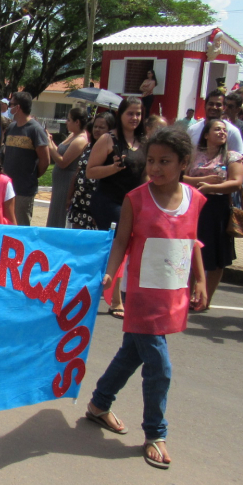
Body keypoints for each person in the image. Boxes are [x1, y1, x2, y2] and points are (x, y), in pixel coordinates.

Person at [85, 127, 207, 470]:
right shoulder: (136, 199)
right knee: (159, 367)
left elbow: (192, 240)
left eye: (164, 161)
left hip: (172, 295)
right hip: (141, 296)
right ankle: (156, 433)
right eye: (151, 160)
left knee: (130, 355)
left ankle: (98, 404)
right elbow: (121, 241)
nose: (155, 168)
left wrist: (200, 280)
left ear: (183, 162)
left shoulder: (194, 199)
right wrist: (110, 275)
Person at [86, 96, 146, 319]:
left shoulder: (144, 141)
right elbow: (91, 171)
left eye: (138, 113)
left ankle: (110, 288)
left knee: (130, 247)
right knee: (119, 245)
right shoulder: (108, 139)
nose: (134, 118)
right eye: (130, 113)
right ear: (120, 115)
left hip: (134, 203)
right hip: (109, 201)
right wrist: (113, 167)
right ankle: (116, 300)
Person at [183, 118, 243, 309]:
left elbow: (236, 182)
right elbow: (179, 176)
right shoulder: (193, 155)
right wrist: (201, 181)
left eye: (224, 130)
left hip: (217, 208)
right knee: (192, 250)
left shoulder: (231, 156)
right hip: (194, 205)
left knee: (217, 256)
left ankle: (205, 298)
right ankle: (188, 294)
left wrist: (210, 188)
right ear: (206, 134)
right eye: (217, 129)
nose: (222, 133)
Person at [0, 91, 49, 226]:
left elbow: (45, 161)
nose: (9, 108)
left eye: (11, 104)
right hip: (6, 187)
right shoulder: (11, 127)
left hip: (23, 190)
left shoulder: (35, 130)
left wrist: (31, 176)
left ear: (18, 107)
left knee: (20, 226)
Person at [67, 112, 115, 230]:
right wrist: (69, 197)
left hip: (95, 204)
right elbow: (77, 172)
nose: (97, 130)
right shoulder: (87, 147)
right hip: (79, 202)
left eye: (101, 127)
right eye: (95, 126)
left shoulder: (110, 152)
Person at [46, 108, 90, 228]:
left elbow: (63, 162)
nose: (66, 122)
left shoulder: (80, 140)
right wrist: (50, 141)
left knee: (61, 215)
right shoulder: (72, 135)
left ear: (77, 122)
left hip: (67, 182)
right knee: (55, 212)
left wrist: (49, 145)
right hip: (59, 182)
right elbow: (59, 152)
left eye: (69, 120)